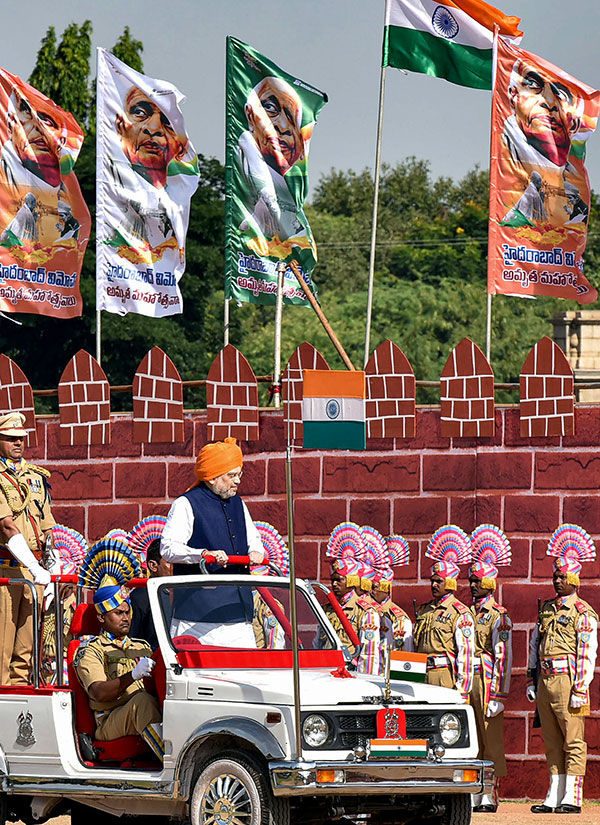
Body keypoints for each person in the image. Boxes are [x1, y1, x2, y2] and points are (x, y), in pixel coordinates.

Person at [161, 437, 265, 647]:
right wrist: (203, 554)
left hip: (239, 613)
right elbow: (168, 548)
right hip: (197, 618)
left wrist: (256, 551)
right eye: (231, 475)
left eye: (239, 474)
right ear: (212, 477)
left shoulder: (238, 503)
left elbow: (253, 537)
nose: (237, 481)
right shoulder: (186, 503)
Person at [527, 525, 598, 814]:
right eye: (555, 576)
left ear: (574, 578)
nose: (556, 580)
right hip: (545, 680)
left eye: (562, 576)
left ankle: (572, 795)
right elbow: (535, 644)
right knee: (552, 740)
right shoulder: (546, 610)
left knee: (573, 739)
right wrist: (532, 680)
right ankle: (554, 794)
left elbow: (587, 653)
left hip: (569, 681)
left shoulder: (583, 613)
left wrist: (581, 687)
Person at [74, 537, 163, 761]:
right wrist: (132, 675)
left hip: (139, 711)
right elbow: (98, 692)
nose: (126, 618)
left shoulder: (140, 646)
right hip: (110, 718)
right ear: (101, 617)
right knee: (142, 704)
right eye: (118, 613)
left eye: (127, 612)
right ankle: (173, 765)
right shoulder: (90, 650)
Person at [0, 412, 54, 685]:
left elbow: (47, 527)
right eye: (10, 439)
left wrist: (52, 570)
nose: (17, 443)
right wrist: (34, 568)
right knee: (2, 653)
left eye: (20, 438)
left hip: (35, 573)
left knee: (26, 652)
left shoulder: (36, 476)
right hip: (7, 571)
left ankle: (20, 712)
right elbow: (7, 526)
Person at [468, 525, 513, 814]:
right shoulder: (465, 613)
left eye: (477, 580)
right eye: (471, 580)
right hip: (467, 677)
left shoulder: (499, 616)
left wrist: (499, 694)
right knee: (471, 736)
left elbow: (503, 656)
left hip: (486, 678)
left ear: (490, 583)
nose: (472, 585)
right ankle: (473, 791)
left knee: (489, 737)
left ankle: (489, 793)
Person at [237, 76, 305, 242]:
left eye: (291, 118)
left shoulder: (290, 192)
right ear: (250, 115)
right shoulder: (243, 149)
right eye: (269, 108)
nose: (281, 126)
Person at [414, 526, 474, 698]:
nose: (434, 585)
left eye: (439, 581)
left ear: (449, 582)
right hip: (421, 675)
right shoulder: (425, 610)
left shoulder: (460, 612)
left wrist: (462, 688)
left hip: (444, 675)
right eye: (432, 581)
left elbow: (466, 652)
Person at [503, 58, 583, 171]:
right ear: (513, 96)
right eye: (532, 84)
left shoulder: (574, 181)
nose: (549, 103)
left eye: (561, 95)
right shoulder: (504, 153)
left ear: (574, 124)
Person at [115, 86, 186, 191]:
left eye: (167, 121)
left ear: (181, 148)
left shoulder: (177, 199)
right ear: (120, 126)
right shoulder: (105, 191)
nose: (153, 128)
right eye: (139, 113)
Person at [324, 558, 381, 675]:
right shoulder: (327, 609)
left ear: (351, 581)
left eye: (339, 580)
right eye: (332, 580)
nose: (334, 584)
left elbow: (369, 653)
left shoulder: (365, 611)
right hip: (325, 670)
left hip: (348, 673)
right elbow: (318, 643)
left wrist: (365, 681)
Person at [129, 539, 172, 651]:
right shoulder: (140, 597)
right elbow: (132, 640)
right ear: (153, 565)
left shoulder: (187, 594)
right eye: (169, 562)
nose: (175, 567)